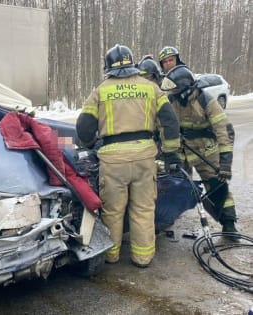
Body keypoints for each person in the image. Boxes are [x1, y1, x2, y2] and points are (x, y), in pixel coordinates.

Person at [76, 44, 181, 267]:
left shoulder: (101, 90)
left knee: (113, 211)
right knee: (143, 209)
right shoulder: (151, 88)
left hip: (113, 162)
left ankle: (111, 255)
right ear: (133, 64)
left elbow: (84, 126)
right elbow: (170, 121)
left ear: (108, 67)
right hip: (145, 158)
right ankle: (143, 258)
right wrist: (171, 153)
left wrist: (90, 143)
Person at [161, 65, 239, 239]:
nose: (172, 93)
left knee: (217, 186)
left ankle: (229, 223)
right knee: (175, 184)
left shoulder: (206, 101)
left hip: (206, 150)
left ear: (185, 89)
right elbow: (164, 126)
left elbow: (224, 130)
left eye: (175, 90)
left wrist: (225, 162)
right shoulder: (172, 101)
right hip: (182, 150)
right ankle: (167, 218)